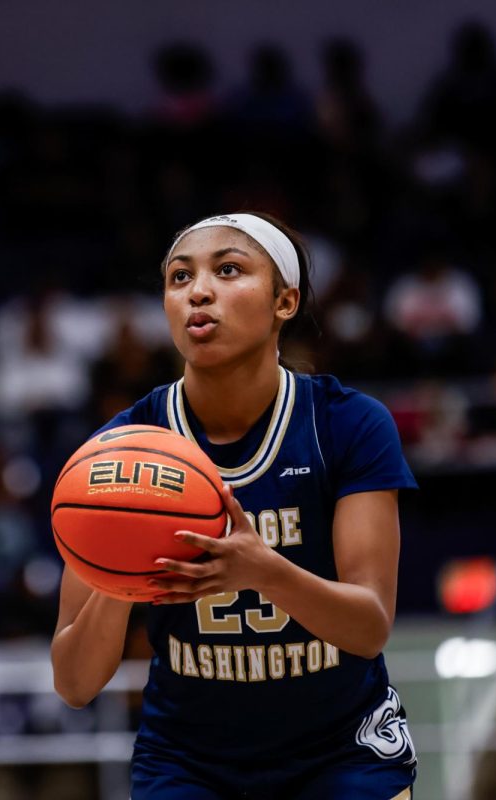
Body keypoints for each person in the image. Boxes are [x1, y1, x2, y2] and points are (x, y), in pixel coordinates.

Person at [51, 212, 417, 799]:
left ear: (285, 302)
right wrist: (116, 580)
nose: (198, 291)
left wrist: (261, 568)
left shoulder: (347, 424)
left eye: (228, 270)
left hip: (341, 751)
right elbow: (73, 683)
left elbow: (369, 628)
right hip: (189, 763)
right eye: (179, 278)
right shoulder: (118, 451)